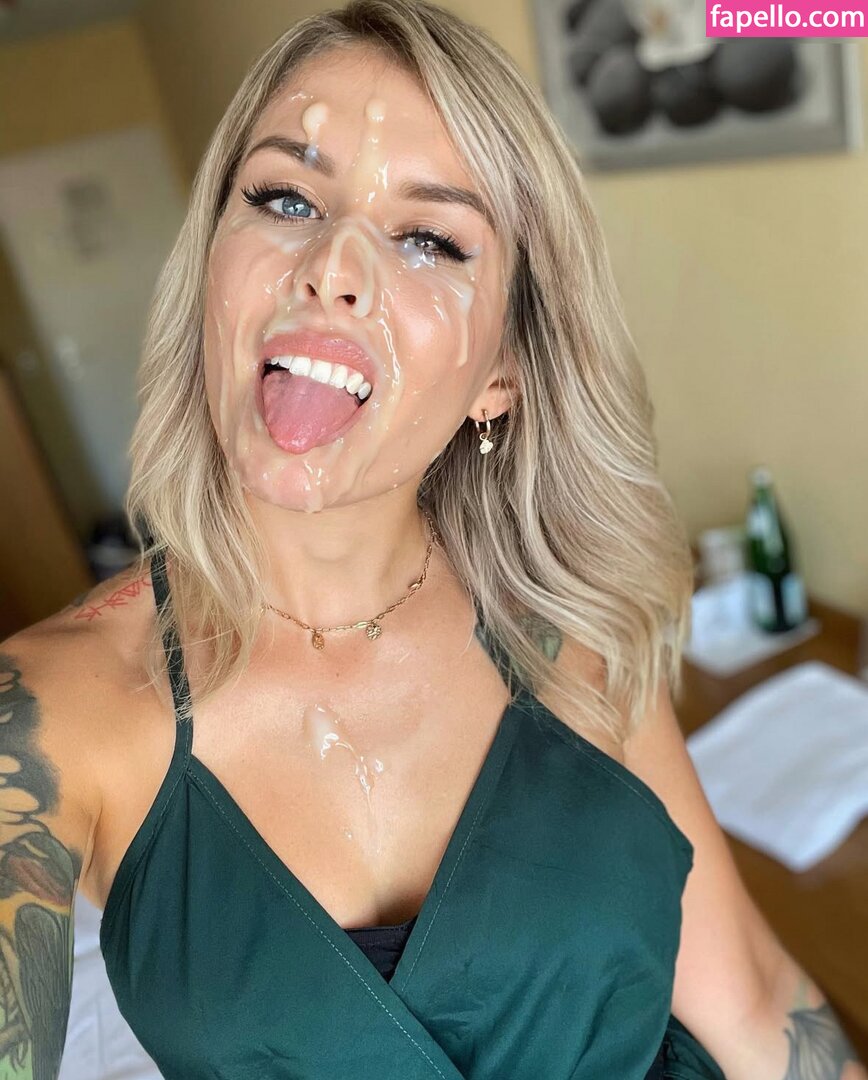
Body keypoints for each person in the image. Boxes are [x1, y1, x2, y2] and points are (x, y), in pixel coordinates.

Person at [2, 1, 864, 1077]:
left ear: (502, 374)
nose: (333, 266)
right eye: (284, 197)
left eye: (429, 238)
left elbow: (754, 998)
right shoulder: (47, 717)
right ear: (211, 266)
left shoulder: (568, 625)